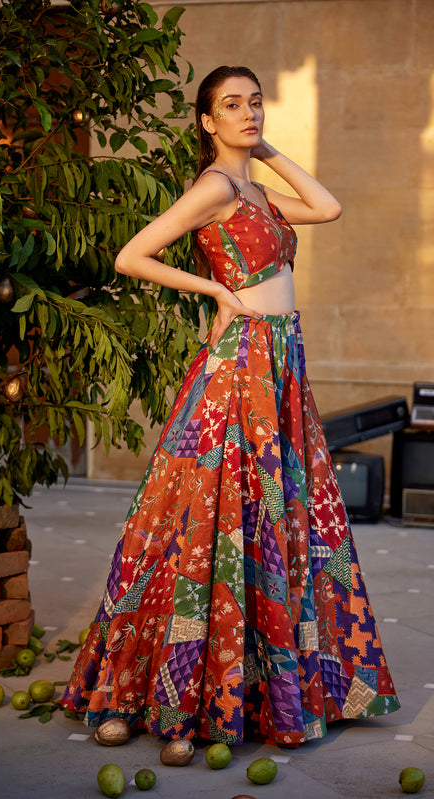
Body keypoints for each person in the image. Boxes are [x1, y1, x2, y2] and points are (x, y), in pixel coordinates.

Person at [61, 65, 400, 747]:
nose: (248, 114)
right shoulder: (216, 186)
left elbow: (327, 206)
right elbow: (133, 256)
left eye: (254, 103)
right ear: (205, 122)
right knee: (205, 514)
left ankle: (248, 685)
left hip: (280, 361)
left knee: (271, 514)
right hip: (241, 359)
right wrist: (215, 293)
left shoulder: (254, 188)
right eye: (230, 106)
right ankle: (170, 688)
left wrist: (267, 152)